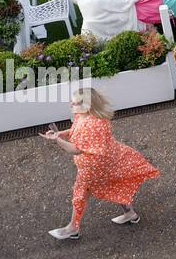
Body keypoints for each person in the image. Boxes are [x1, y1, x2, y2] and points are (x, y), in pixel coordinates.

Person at [41, 88, 159, 240]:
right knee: (113, 184)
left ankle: (73, 227)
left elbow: (76, 149)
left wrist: (57, 140)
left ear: (87, 105)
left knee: (80, 194)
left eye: (75, 102)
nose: (71, 104)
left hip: (95, 166)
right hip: (109, 158)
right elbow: (75, 130)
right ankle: (130, 213)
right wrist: (61, 134)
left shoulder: (94, 124)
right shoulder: (83, 115)